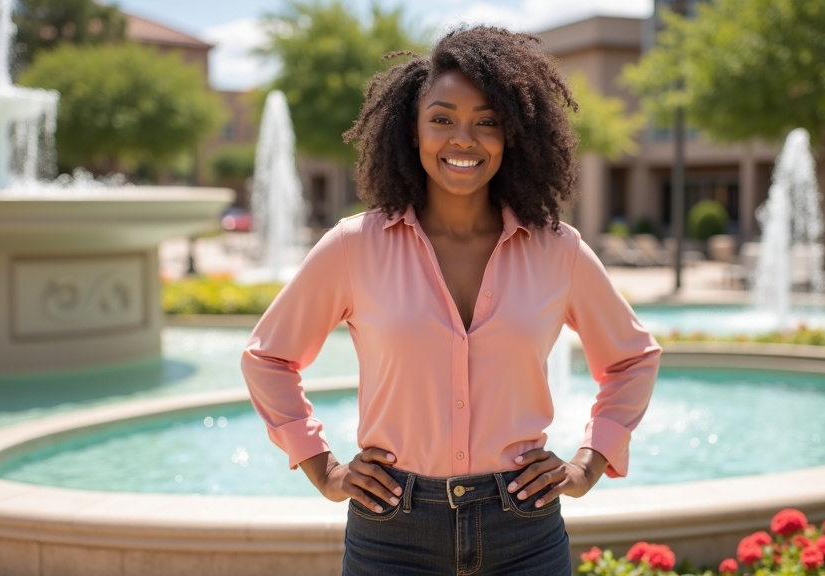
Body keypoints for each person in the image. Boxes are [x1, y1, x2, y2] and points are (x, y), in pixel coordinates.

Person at [241, 25, 661, 575]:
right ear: (411, 132)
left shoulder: (558, 250)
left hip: (524, 531)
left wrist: (588, 462)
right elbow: (268, 357)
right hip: (392, 531)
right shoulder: (353, 247)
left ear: (512, 135)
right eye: (442, 119)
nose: (464, 139)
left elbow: (632, 359)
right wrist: (322, 467)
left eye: (487, 122)